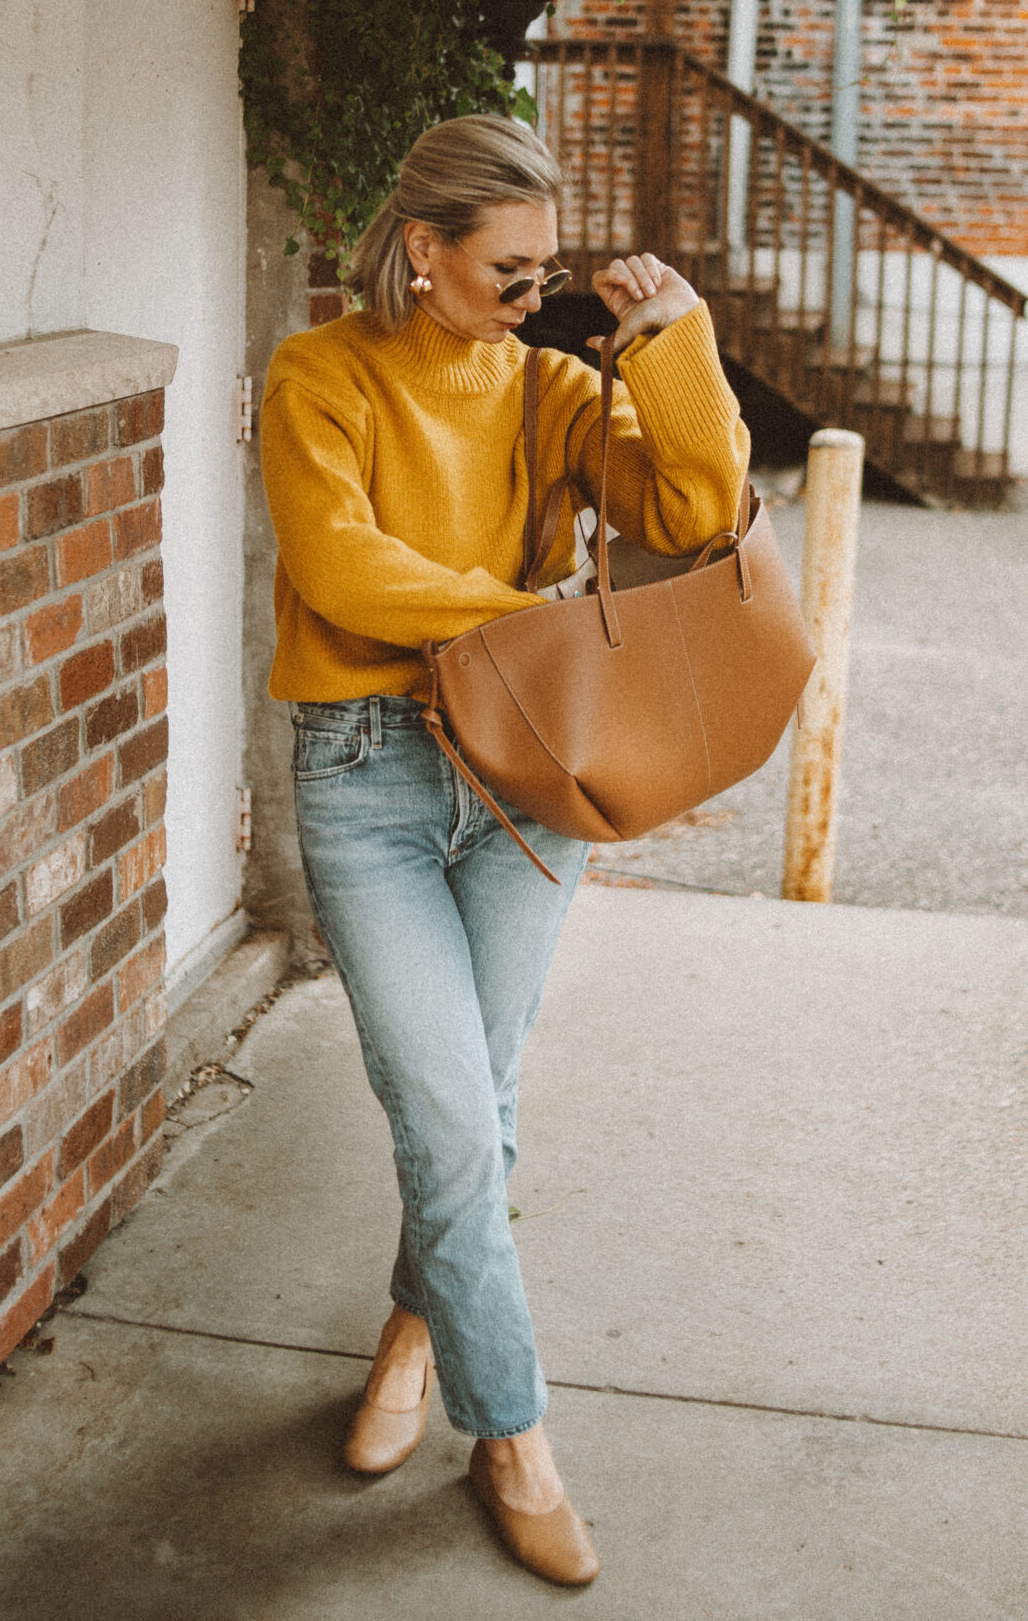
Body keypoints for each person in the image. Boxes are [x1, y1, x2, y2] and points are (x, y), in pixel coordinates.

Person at [259, 114, 748, 1585]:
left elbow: (698, 506)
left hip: (523, 777)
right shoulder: (319, 374)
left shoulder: (549, 388)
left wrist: (674, 339)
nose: (541, 302)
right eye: (515, 275)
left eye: (553, 278)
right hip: (370, 776)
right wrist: (524, 619)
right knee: (453, 1111)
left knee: (481, 1094)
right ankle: (514, 1432)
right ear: (427, 251)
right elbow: (339, 564)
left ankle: (415, 1329)